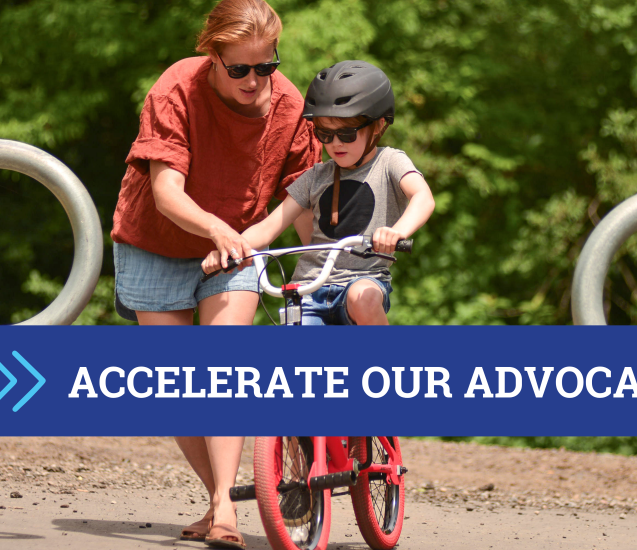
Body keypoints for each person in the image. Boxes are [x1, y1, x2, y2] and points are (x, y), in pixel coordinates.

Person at [109, 0, 320, 547]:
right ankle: (217, 497)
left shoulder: (292, 106)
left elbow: (304, 197)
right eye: (240, 69)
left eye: (266, 66)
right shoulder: (177, 88)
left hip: (237, 249)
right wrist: (216, 229)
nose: (255, 80)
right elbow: (164, 192)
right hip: (157, 241)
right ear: (213, 56)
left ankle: (224, 507)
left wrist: (317, 268)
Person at [204, 60, 435, 325]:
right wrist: (229, 250)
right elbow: (268, 228)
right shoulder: (316, 176)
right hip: (309, 288)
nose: (335, 143)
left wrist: (397, 232)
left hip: (362, 282)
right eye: (324, 134)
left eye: (347, 134)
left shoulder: (390, 162)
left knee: (364, 298)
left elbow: (423, 198)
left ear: (379, 125)